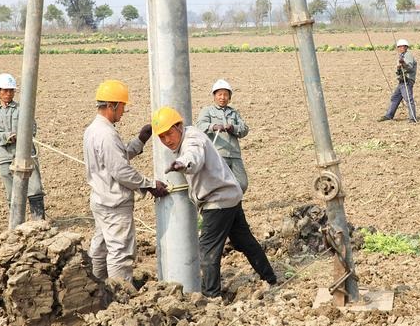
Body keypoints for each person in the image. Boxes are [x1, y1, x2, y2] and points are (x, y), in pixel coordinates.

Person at [152, 106, 276, 298]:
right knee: (244, 241)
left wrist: (182, 164)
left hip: (218, 201)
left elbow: (194, 157)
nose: (167, 140)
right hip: (229, 196)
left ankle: (212, 297)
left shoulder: (192, 139)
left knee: (208, 250)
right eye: (162, 137)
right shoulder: (190, 135)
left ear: (179, 126)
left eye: (169, 133)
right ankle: (271, 279)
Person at [83, 79, 167, 283]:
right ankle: (120, 297)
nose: (123, 112)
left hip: (101, 199)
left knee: (101, 247)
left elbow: (114, 159)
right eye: (122, 107)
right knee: (119, 251)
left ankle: (99, 288)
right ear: (111, 106)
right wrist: (149, 183)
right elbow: (121, 171)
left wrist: (140, 141)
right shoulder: (106, 134)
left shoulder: (93, 130)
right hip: (114, 202)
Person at [0, 73, 46, 220]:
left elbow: (32, 128)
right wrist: (7, 136)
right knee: (11, 193)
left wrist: (22, 136)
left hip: (26, 155)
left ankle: (39, 224)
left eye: (11, 90)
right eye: (5, 90)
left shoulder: (23, 109)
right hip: (5, 157)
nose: (8, 93)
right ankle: (16, 226)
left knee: (35, 188)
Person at [196, 79, 250, 193]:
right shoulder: (207, 111)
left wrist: (233, 128)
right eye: (219, 94)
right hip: (217, 153)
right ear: (214, 96)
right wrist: (214, 126)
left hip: (234, 154)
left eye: (225, 94)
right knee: (220, 183)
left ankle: (234, 203)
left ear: (229, 97)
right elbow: (200, 125)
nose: (222, 97)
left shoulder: (234, 113)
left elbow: (244, 129)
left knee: (242, 184)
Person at [379, 39, 418, 123]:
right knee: (395, 98)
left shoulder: (408, 55)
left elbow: (410, 68)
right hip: (401, 81)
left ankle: (413, 118)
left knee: (408, 99)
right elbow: (399, 71)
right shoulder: (402, 56)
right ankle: (389, 115)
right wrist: (398, 67)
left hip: (407, 81)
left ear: (406, 47)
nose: (400, 48)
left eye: (402, 46)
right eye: (399, 47)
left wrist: (403, 64)